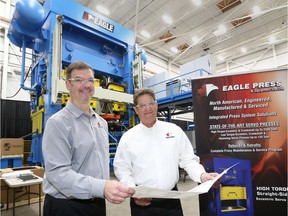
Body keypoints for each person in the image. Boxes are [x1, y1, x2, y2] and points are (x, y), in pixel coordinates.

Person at [42, 61, 135, 216]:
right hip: (66, 206)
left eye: (91, 80)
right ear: (68, 84)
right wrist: (102, 187)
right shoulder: (58, 123)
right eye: (79, 80)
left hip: (97, 202)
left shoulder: (101, 123)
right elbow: (58, 173)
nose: (86, 85)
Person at [113, 88, 219, 216]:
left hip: (171, 200)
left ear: (156, 105)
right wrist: (134, 191)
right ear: (136, 110)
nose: (148, 108)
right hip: (142, 202)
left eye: (151, 103)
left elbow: (188, 160)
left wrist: (202, 175)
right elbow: (122, 168)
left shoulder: (174, 130)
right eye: (142, 105)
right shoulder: (129, 137)